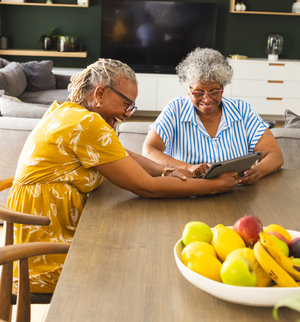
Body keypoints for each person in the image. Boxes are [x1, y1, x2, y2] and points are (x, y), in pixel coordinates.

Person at [7, 58, 239, 293]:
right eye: (127, 104)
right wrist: (215, 185)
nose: (128, 114)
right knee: (144, 267)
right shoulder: (87, 123)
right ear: (100, 93)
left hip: (37, 238)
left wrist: (167, 169)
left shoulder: (66, 111)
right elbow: (147, 187)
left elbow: (118, 152)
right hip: (43, 256)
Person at [142, 48, 283, 183]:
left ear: (223, 87)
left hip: (235, 193)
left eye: (214, 91)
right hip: (188, 190)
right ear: (187, 89)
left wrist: (258, 171)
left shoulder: (241, 109)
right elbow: (149, 151)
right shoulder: (175, 109)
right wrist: (188, 167)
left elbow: (275, 155)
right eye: (198, 92)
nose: (207, 99)